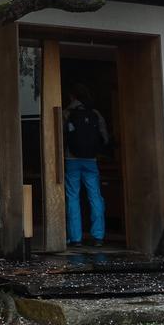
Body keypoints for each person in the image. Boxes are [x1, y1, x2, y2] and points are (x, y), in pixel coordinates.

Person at [63, 84, 109, 247]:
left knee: (73, 197)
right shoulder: (95, 113)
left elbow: (60, 136)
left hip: (71, 160)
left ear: (72, 96)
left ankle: (75, 238)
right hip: (91, 160)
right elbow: (104, 137)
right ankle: (98, 236)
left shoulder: (67, 113)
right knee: (95, 196)